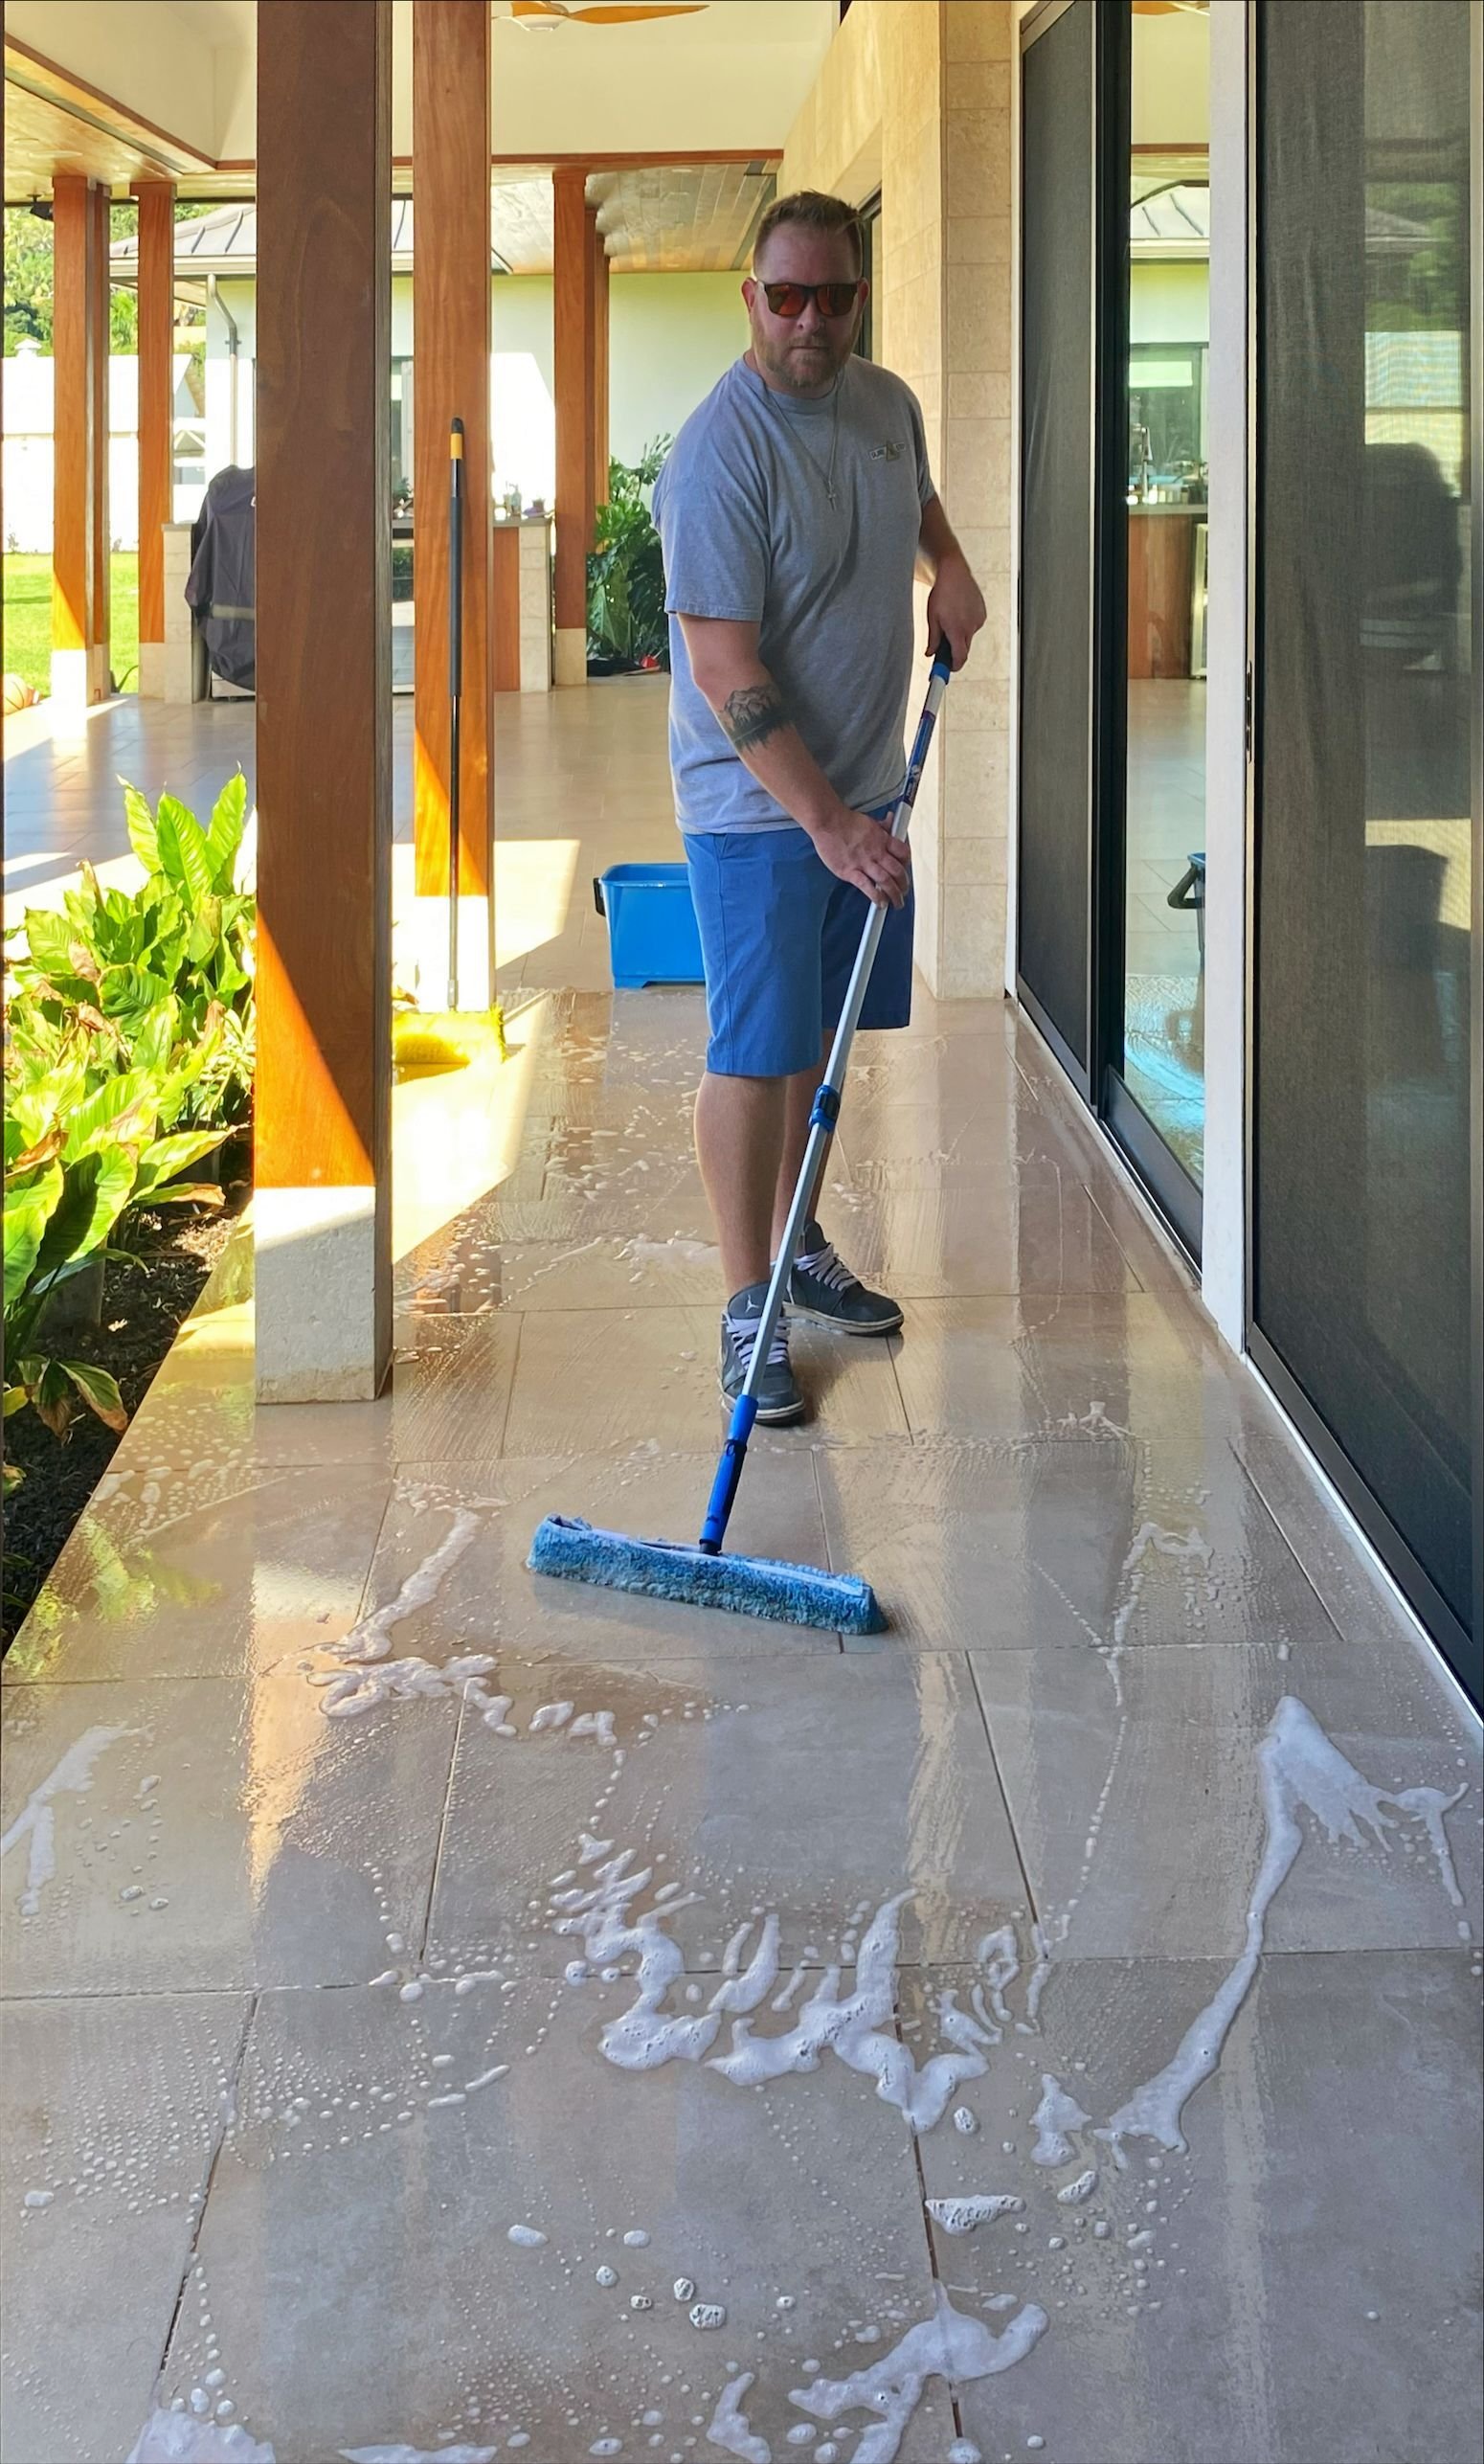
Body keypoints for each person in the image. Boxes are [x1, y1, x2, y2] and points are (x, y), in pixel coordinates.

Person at [652, 189, 986, 1424]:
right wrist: (829, 828)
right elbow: (726, 671)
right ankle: (750, 1305)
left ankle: (798, 1243)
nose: (809, 321)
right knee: (755, 1050)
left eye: (832, 297)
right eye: (784, 297)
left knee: (820, 1045)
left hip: (861, 792)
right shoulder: (719, 454)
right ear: (751, 298)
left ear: (857, 295)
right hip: (761, 810)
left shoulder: (886, 403)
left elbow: (921, 507)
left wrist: (946, 565)